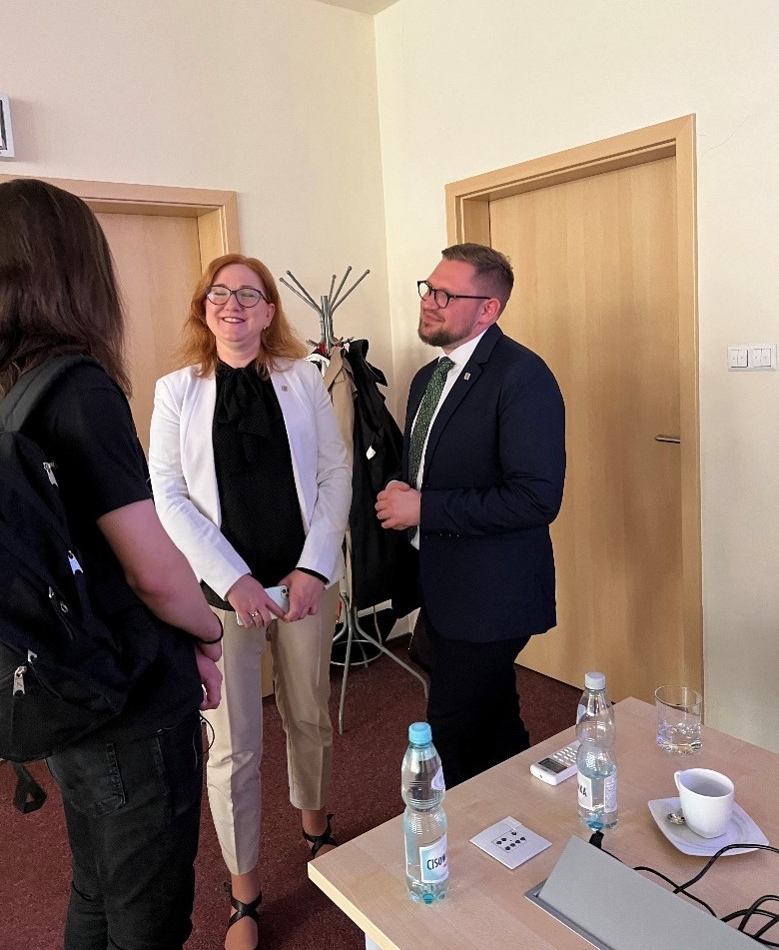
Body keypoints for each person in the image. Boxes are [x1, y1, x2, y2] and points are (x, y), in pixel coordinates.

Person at [0, 178, 224, 950]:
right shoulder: (78, 387)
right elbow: (152, 570)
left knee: (95, 884)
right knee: (148, 912)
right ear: (75, 270)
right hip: (129, 699)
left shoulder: (13, 391)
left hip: (61, 683)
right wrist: (208, 632)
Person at [149, 254, 351, 950]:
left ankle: (317, 829)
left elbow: (334, 473)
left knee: (308, 712)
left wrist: (312, 567)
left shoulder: (304, 379)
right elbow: (168, 495)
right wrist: (233, 579)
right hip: (219, 593)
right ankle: (245, 893)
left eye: (248, 294)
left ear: (268, 311)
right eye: (219, 292)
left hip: (303, 583)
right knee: (233, 745)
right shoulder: (176, 391)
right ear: (203, 308)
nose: (232, 303)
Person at [376, 242, 565, 788]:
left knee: (450, 731)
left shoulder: (522, 376)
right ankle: (525, 815)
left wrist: (424, 507)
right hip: (443, 582)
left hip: (493, 595)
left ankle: (459, 837)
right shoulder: (428, 378)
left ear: (488, 310)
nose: (428, 301)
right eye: (428, 289)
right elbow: (433, 465)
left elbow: (536, 499)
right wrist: (405, 486)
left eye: (445, 295)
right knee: (495, 719)